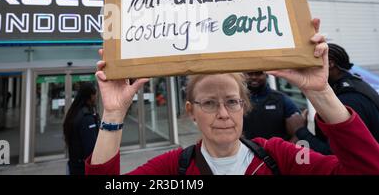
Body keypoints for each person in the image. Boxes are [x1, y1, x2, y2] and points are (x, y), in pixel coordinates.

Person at [86, 19, 379, 175]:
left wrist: (320, 91)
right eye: (209, 103)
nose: (223, 113)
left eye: (231, 101)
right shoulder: (173, 166)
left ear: (244, 106)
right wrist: (113, 114)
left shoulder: (281, 155)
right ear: (191, 110)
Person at [295, 43, 379, 154]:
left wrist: (300, 131)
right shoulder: (355, 85)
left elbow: (337, 154)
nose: (307, 69)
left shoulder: (346, 99)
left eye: (312, 63)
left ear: (330, 64)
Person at [243, 71, 304, 140]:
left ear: (266, 75)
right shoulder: (237, 100)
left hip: (276, 150)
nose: (254, 77)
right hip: (248, 149)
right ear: (243, 75)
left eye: (259, 73)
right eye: (249, 74)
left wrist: (286, 150)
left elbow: (299, 133)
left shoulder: (281, 99)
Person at [63, 82, 100, 175]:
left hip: (74, 165)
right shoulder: (86, 118)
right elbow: (91, 149)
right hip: (82, 169)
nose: (96, 98)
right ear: (91, 96)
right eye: (95, 95)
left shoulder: (74, 112)